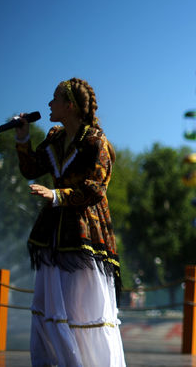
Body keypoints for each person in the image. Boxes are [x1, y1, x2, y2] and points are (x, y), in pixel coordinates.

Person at [14, 78, 125, 366]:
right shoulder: (54, 138)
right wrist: (23, 137)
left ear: (70, 106)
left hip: (85, 236)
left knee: (80, 309)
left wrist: (56, 195)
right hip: (54, 234)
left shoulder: (95, 142)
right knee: (50, 304)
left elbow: (96, 189)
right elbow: (31, 169)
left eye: (55, 99)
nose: (49, 104)